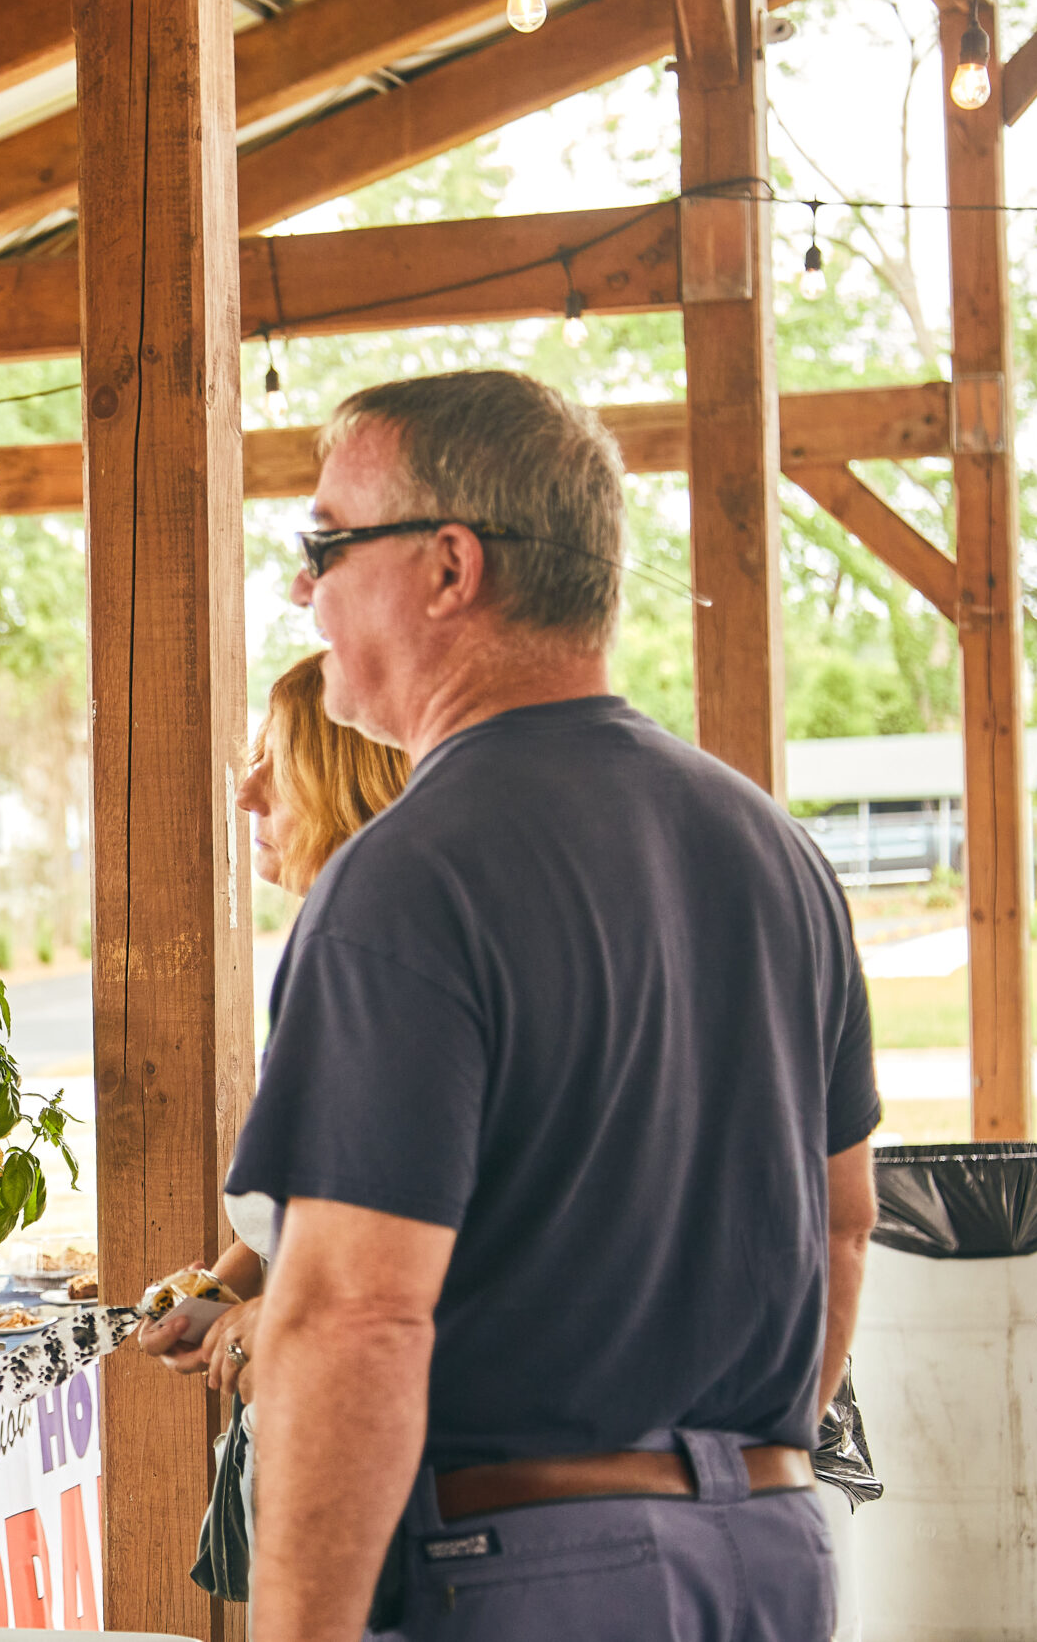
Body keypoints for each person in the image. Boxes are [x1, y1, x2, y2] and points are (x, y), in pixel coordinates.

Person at [224, 371, 879, 1642]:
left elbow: (355, 1312)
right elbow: (843, 1223)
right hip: (771, 1551)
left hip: (535, 1571)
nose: (304, 591)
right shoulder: (771, 847)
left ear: (449, 566)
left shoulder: (409, 875)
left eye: (323, 545)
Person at [139, 649, 410, 1399]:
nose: (246, 792)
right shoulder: (325, 940)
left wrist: (288, 1318)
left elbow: (397, 1230)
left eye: (280, 763)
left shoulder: (385, 956)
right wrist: (224, 1285)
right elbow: (313, 1205)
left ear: (354, 780)